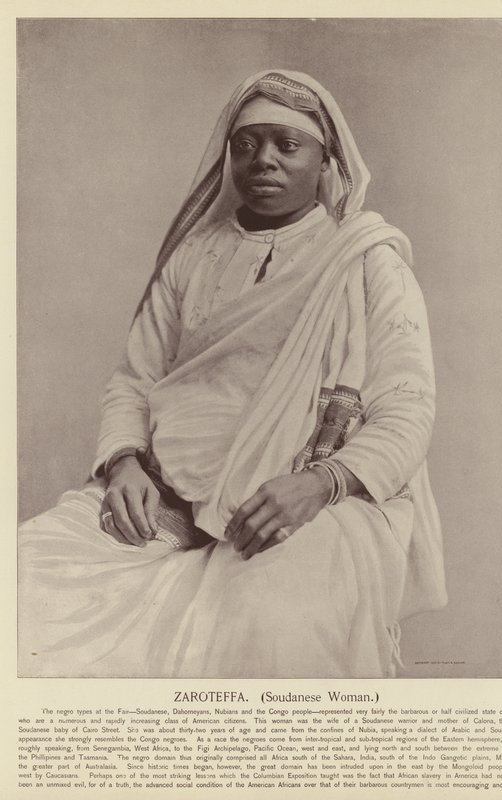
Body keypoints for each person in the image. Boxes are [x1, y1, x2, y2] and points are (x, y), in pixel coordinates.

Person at [18, 69, 447, 678]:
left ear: (326, 161)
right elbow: (134, 380)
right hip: (166, 493)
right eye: (245, 145)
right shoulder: (194, 256)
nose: (262, 160)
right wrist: (123, 464)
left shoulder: (367, 262)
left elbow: (408, 407)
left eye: (286, 144)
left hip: (309, 501)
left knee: (271, 627)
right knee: (27, 578)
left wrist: (319, 484)